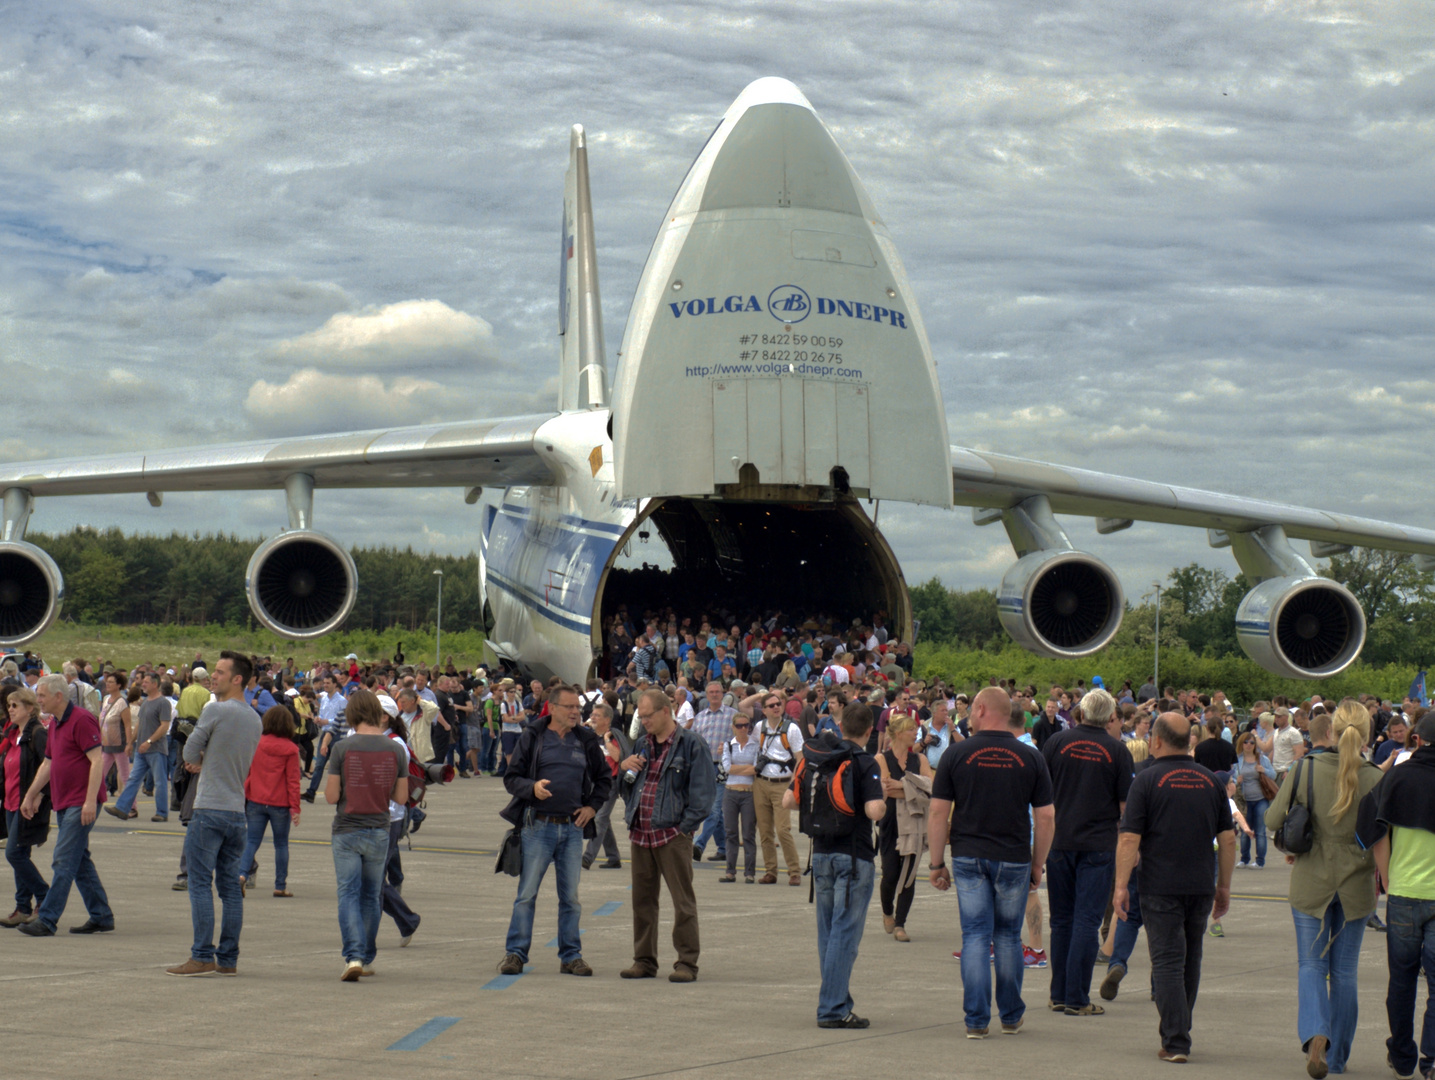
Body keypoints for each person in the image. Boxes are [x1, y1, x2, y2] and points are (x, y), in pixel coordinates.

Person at [928, 686, 1055, 1038]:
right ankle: (1011, 1015)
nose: (966, 715)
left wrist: (936, 863)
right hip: (1013, 857)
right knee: (1008, 937)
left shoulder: (957, 754)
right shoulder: (1031, 757)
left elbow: (938, 811)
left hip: (969, 856)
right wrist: (1037, 864)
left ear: (982, 709)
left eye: (971, 709)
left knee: (975, 936)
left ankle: (976, 1021)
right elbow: (1045, 817)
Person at [1265, 701, 1381, 1079]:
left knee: (1311, 965)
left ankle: (1317, 1034)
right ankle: (1339, 1057)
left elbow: (1271, 818)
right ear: (1366, 733)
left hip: (1311, 880)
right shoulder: (1376, 777)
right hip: (1356, 886)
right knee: (1345, 973)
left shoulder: (1304, 769)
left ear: (1331, 730)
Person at [1114, 712, 1235, 1064]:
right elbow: (1227, 840)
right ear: (1189, 742)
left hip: (1159, 884)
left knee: (1167, 961)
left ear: (1156, 740)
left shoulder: (1146, 781)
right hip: (1200, 885)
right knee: (1191, 958)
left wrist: (1121, 886)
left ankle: (1176, 1039)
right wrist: (1223, 886)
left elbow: (1129, 839)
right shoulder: (1210, 782)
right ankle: (1180, 1030)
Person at [782, 701, 886, 1028]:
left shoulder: (820, 759)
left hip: (822, 854)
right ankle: (832, 1009)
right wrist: (882, 795)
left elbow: (788, 801)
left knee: (828, 932)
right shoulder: (865, 762)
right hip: (854, 856)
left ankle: (836, 1001)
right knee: (846, 933)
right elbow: (873, 811)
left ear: (840, 726)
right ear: (870, 731)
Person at [496, 685, 611, 977]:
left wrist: (592, 808)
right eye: (570, 707)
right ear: (553, 708)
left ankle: (571, 956)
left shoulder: (585, 739)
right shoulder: (533, 736)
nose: (576, 712)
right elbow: (512, 778)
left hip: (572, 829)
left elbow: (604, 780)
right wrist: (531, 788)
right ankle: (515, 954)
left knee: (570, 898)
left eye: (578, 708)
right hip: (538, 826)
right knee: (526, 894)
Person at [166, 651, 262, 976]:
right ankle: (228, 958)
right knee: (230, 888)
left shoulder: (215, 710)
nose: (213, 677)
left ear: (238, 679)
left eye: (220, 672)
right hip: (237, 810)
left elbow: (189, 751)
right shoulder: (254, 718)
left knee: (199, 882)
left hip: (209, 807)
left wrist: (203, 758)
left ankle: (202, 953)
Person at [1041, 687, 1134, 1016]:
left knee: (1062, 920)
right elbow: (1126, 808)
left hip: (1059, 840)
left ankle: (1058, 993)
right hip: (1097, 844)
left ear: (1079, 713)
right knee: (1086, 921)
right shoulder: (1117, 751)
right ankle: (1077, 997)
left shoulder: (1056, 743)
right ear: (1110, 717)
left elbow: (1041, 796)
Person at [617, 688, 715, 983]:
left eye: (647, 716)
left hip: (671, 835)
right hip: (641, 833)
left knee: (682, 902)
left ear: (665, 712)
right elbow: (627, 790)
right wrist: (624, 770)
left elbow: (704, 795)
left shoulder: (691, 744)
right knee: (642, 902)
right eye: (640, 716)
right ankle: (644, 961)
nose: (643, 720)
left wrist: (683, 828)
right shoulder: (643, 744)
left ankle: (686, 963)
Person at [1358, 710, 1435, 1080]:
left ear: (1418, 740)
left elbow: (1372, 825)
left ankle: (1402, 1055)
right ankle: (1431, 1057)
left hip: (1404, 892)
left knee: (1401, 980)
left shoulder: (1399, 777)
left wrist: (1387, 879)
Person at [17, 674, 111, 937]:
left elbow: (97, 761)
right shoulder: (56, 724)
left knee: (63, 860)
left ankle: (47, 919)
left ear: (59, 696)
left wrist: (90, 801)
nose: (39, 700)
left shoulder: (81, 720)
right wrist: (31, 794)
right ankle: (101, 915)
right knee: (79, 860)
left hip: (81, 802)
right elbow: (48, 763)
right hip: (64, 801)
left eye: (42, 695)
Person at [325, 688, 407, 981]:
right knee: (372, 895)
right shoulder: (396, 749)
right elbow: (401, 796)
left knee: (348, 892)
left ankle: (353, 955)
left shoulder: (342, 749)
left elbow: (332, 797)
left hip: (347, 828)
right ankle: (367, 956)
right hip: (379, 828)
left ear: (352, 715)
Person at [877, 713, 932, 942]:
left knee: (909, 875)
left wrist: (901, 785)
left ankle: (901, 924)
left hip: (914, 821)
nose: (915, 734)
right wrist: (912, 787)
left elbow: (930, 788)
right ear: (899, 733)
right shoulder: (881, 758)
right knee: (890, 873)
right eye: (911, 730)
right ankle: (888, 911)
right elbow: (885, 789)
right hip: (890, 820)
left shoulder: (920, 760)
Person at [238, 705, 302, 898]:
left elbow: (248, 771)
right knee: (281, 844)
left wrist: (245, 793)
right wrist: (295, 807)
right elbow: (293, 780)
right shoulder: (291, 749)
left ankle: (241, 874)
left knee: (251, 841)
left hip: (256, 799)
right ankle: (279, 885)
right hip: (280, 803)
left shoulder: (256, 742)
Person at [1, 689, 50, 926]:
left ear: (30, 709)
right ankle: (22, 907)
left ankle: (44, 896)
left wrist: (39, 795)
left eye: (15, 705)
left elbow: (50, 768)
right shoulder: (12, 735)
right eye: (9, 705)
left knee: (14, 853)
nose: (10, 709)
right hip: (11, 803)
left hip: (27, 804)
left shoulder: (38, 734)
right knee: (20, 853)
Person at [106, 672, 171, 823]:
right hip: (141, 750)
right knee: (133, 779)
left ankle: (162, 812)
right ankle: (122, 808)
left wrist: (149, 741)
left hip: (156, 750)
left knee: (160, 781)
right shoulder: (146, 702)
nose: (143, 684)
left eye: (147, 682)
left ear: (155, 684)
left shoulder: (163, 703)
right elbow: (139, 725)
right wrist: (130, 743)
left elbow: (164, 726)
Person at [753, 692, 804, 886]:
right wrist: (759, 694)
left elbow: (800, 758)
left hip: (782, 782)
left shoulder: (791, 729)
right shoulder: (760, 727)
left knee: (783, 830)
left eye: (778, 704)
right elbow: (743, 707)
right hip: (761, 782)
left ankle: (794, 871)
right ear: (764, 710)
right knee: (765, 831)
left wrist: (793, 783)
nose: (776, 707)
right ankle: (770, 871)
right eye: (771, 705)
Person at [689, 681, 733, 863]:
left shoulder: (733, 716)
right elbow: (692, 741)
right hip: (703, 766)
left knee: (713, 809)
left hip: (723, 767)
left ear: (723, 694)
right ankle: (723, 849)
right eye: (711, 692)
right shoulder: (700, 717)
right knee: (717, 812)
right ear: (706, 695)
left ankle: (699, 845)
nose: (714, 695)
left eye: (717, 692)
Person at [582, 703, 626, 870]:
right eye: (592, 715)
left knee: (599, 818)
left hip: (610, 783)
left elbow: (618, 758)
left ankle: (587, 857)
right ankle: (613, 857)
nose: (592, 717)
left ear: (607, 719)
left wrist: (606, 740)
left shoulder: (613, 736)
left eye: (597, 715)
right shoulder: (590, 736)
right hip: (593, 782)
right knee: (603, 820)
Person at [719, 711, 759, 883]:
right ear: (733, 727)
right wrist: (746, 767)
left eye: (746, 725)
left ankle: (749, 872)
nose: (743, 729)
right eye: (739, 726)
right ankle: (730, 871)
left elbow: (756, 768)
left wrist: (739, 768)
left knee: (749, 833)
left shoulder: (755, 744)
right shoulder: (729, 745)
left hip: (749, 792)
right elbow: (727, 768)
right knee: (731, 832)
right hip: (731, 792)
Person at [1233, 730, 1274, 868]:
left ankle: (1260, 861)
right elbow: (1231, 778)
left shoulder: (1262, 759)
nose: (1249, 745)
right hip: (1244, 800)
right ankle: (1244, 859)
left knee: (1260, 831)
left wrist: (1264, 770)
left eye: (1252, 742)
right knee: (1245, 830)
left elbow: (1273, 775)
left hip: (1261, 799)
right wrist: (1236, 780)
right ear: (1241, 744)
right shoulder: (1237, 760)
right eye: (1246, 742)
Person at [97, 672, 133, 805]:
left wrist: (129, 743)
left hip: (119, 744)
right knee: (99, 774)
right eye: (108, 681)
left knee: (124, 776)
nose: (108, 684)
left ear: (119, 685)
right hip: (106, 744)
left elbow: (128, 725)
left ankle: (131, 806)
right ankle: (93, 800)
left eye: (111, 682)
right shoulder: (106, 699)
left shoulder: (122, 702)